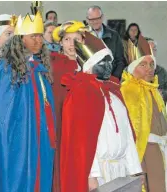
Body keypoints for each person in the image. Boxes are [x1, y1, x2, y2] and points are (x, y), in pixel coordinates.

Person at [60, 31, 142, 192]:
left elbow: (127, 133)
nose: (109, 66)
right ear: (89, 66)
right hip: (100, 172)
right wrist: (91, 175)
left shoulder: (114, 92)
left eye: (110, 61)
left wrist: (134, 169)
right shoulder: (80, 93)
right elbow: (82, 142)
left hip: (122, 168)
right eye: (103, 62)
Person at [0, 11, 56, 192]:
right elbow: (4, 114)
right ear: (20, 39)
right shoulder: (8, 69)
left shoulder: (38, 67)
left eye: (40, 36)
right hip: (20, 140)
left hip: (40, 138)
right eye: (33, 36)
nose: (39, 41)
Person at [121, 35, 167, 192]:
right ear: (133, 68)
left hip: (159, 148)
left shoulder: (152, 89)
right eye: (143, 64)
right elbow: (131, 129)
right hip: (146, 150)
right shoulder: (129, 90)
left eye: (152, 64)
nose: (149, 68)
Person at [51, 20, 86, 192]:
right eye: (67, 39)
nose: (72, 44)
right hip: (61, 124)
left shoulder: (89, 66)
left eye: (76, 39)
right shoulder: (54, 65)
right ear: (60, 43)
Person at [86, 5, 126, 79]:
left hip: (110, 80)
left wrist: (114, 78)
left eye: (97, 18)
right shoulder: (83, 36)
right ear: (87, 20)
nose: (95, 22)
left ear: (102, 17)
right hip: (89, 80)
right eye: (91, 19)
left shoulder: (114, 35)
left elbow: (120, 60)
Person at [145, 37, 167, 104]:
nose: (152, 52)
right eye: (149, 49)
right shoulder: (131, 70)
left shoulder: (161, 71)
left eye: (154, 49)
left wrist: (162, 94)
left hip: (158, 109)